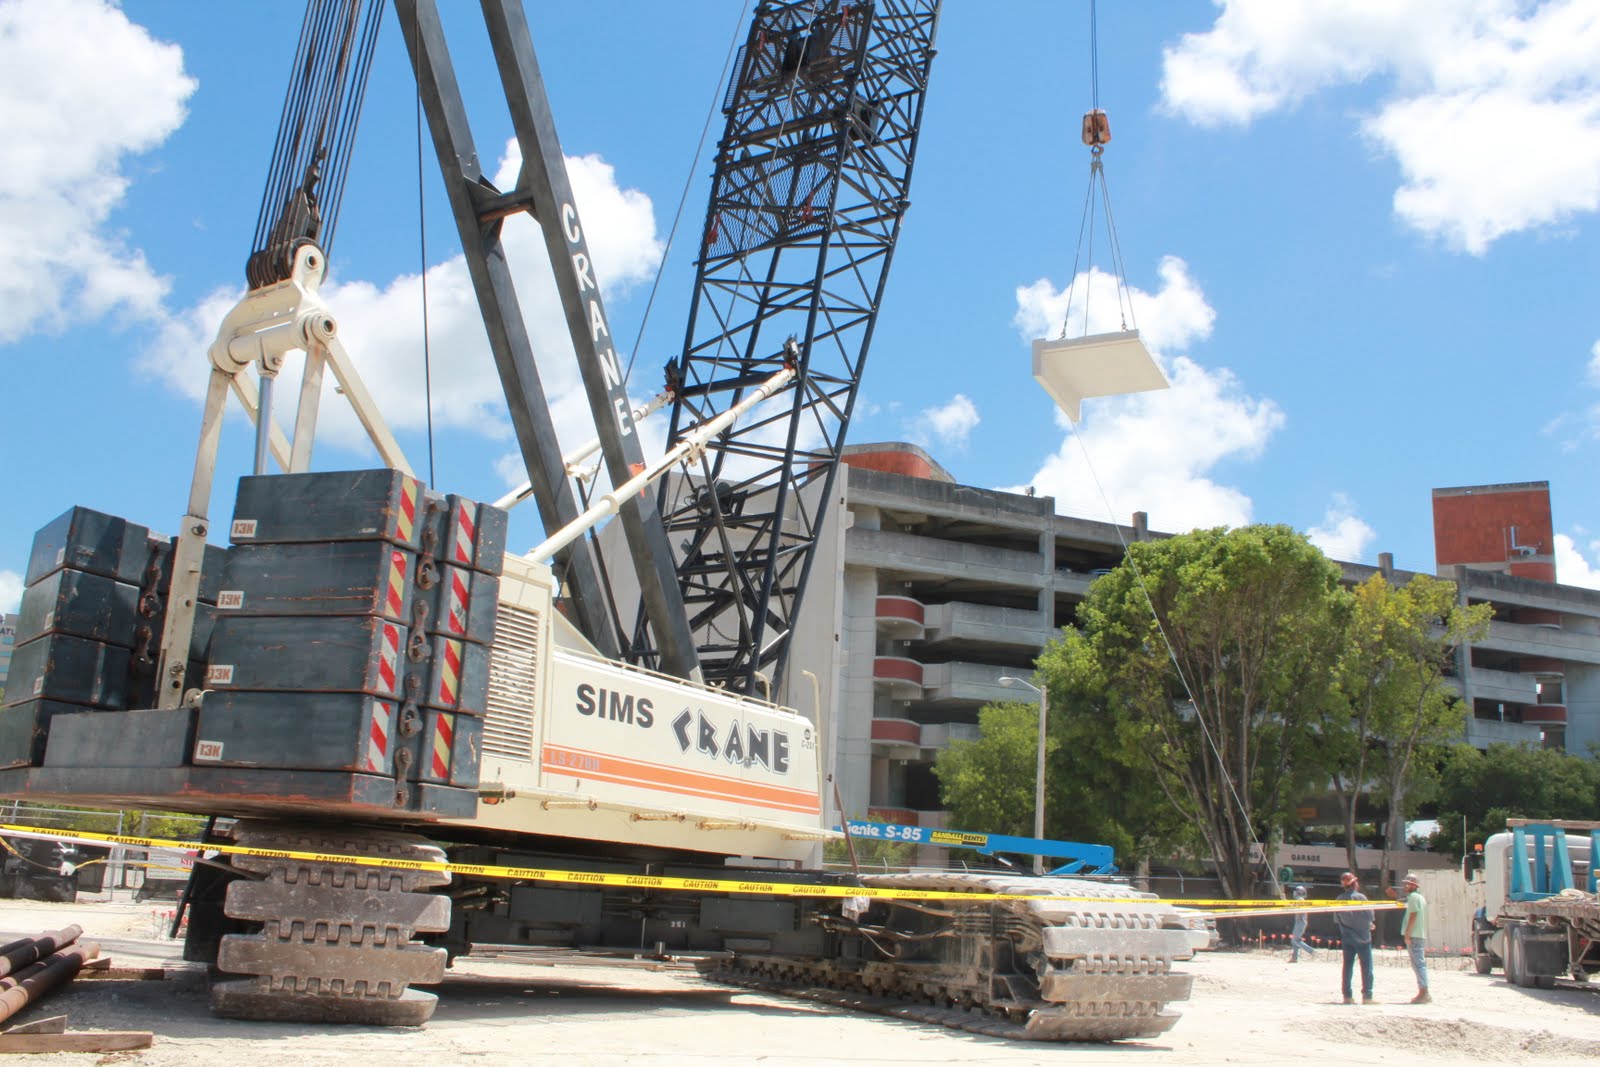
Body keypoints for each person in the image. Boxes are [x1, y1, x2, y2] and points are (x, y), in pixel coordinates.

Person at [1334, 871, 1374, 1004]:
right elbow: (1370, 918)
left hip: (1347, 938)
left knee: (1347, 967)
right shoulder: (1361, 898)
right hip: (1363, 938)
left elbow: (1337, 920)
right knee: (1366, 967)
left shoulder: (1339, 899)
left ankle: (1347, 996)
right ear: (1354, 883)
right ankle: (1367, 997)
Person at [1401, 873, 1431, 1003]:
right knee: (1419, 963)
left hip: (1414, 935)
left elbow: (1413, 915)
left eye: (1407, 884)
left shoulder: (1413, 897)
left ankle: (1424, 992)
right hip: (1420, 934)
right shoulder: (1420, 897)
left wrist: (1407, 934)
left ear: (1413, 885)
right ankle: (1423, 991)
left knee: (1418, 964)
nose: (1404, 886)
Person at [1289, 884, 1314, 962]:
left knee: (1296, 940)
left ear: (1299, 892)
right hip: (1299, 922)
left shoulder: (1299, 899)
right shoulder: (1299, 899)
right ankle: (1294, 958)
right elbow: (1291, 906)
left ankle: (1311, 951)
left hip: (1300, 922)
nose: (1294, 892)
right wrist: (1284, 900)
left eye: (1296, 890)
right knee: (1294, 940)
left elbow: (1293, 908)